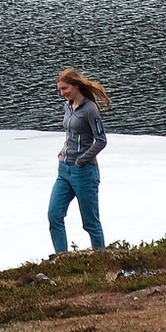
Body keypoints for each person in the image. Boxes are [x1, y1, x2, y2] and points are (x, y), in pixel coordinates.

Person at [48, 67, 110, 252]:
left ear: (75, 86)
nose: (62, 93)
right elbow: (71, 134)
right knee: (54, 215)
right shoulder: (67, 106)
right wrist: (62, 152)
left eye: (65, 89)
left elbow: (101, 140)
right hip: (64, 170)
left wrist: (82, 160)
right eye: (60, 89)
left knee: (90, 222)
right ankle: (61, 258)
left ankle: (101, 260)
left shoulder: (90, 109)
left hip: (84, 172)